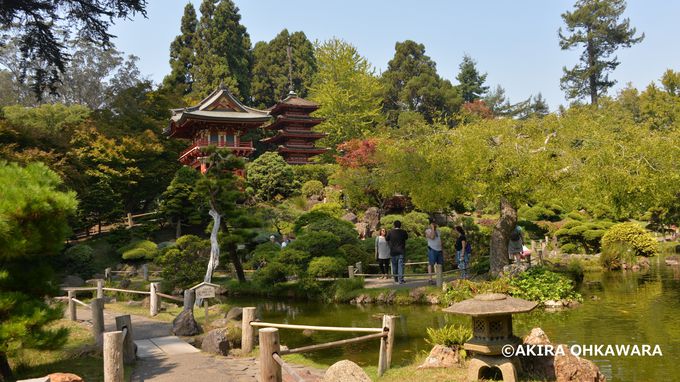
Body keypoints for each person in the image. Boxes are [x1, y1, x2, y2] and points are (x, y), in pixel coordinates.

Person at [386, 220, 408, 284]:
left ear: (394, 225)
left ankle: (395, 279)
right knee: (400, 265)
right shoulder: (403, 232)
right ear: (400, 225)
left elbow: (387, 239)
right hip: (401, 251)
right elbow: (406, 238)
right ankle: (400, 279)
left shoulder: (390, 232)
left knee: (394, 266)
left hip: (393, 251)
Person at [425, 218, 443, 285]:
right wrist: (432, 228)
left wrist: (442, 249)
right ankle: (430, 279)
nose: (435, 224)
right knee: (431, 264)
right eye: (433, 223)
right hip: (432, 249)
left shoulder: (438, 231)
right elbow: (432, 237)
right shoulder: (427, 231)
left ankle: (439, 279)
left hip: (439, 249)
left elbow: (440, 240)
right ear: (430, 224)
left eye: (435, 223)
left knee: (440, 264)